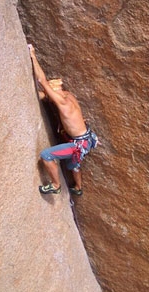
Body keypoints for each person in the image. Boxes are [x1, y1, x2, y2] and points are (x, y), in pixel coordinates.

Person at [28, 44, 98, 195]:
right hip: (85, 139)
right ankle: (78, 188)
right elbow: (46, 95)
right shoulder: (68, 95)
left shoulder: (62, 103)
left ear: (54, 91)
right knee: (72, 165)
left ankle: (55, 185)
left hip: (77, 144)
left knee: (46, 155)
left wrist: (33, 55)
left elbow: (42, 81)